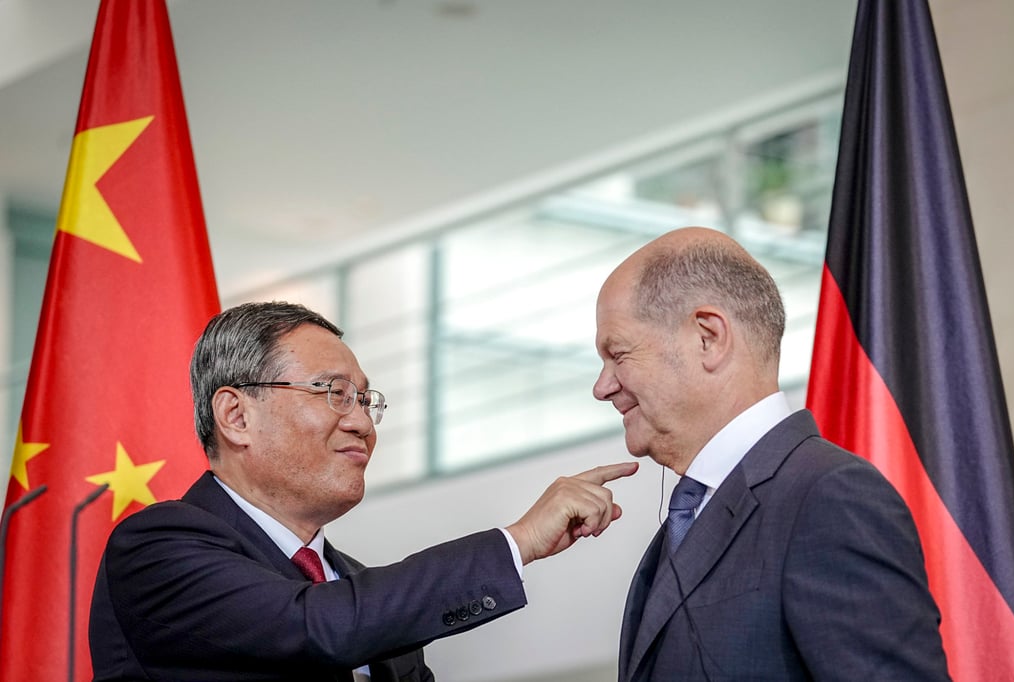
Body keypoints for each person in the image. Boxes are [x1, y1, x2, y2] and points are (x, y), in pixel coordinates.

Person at [89, 300, 637, 681]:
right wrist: (517, 542)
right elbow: (316, 627)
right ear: (236, 415)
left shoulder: (355, 585)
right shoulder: (156, 548)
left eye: (365, 401)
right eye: (334, 394)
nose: (361, 423)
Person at [593, 227, 950, 681]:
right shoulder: (689, 519)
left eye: (618, 354)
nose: (601, 387)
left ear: (708, 337)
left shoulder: (829, 498)